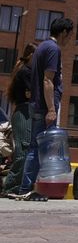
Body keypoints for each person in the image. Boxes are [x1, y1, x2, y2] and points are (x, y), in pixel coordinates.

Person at [16, 18, 74, 202]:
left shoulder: (41, 46)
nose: (70, 39)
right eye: (70, 35)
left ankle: (27, 187)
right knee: (39, 149)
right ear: (64, 32)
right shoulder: (53, 49)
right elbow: (47, 80)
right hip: (43, 106)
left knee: (35, 147)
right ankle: (27, 188)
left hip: (36, 104)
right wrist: (51, 108)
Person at [2, 43, 37, 195]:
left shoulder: (26, 71)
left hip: (24, 112)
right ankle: (10, 187)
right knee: (23, 151)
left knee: (26, 150)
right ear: (31, 56)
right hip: (24, 112)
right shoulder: (25, 72)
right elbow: (31, 94)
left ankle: (16, 186)